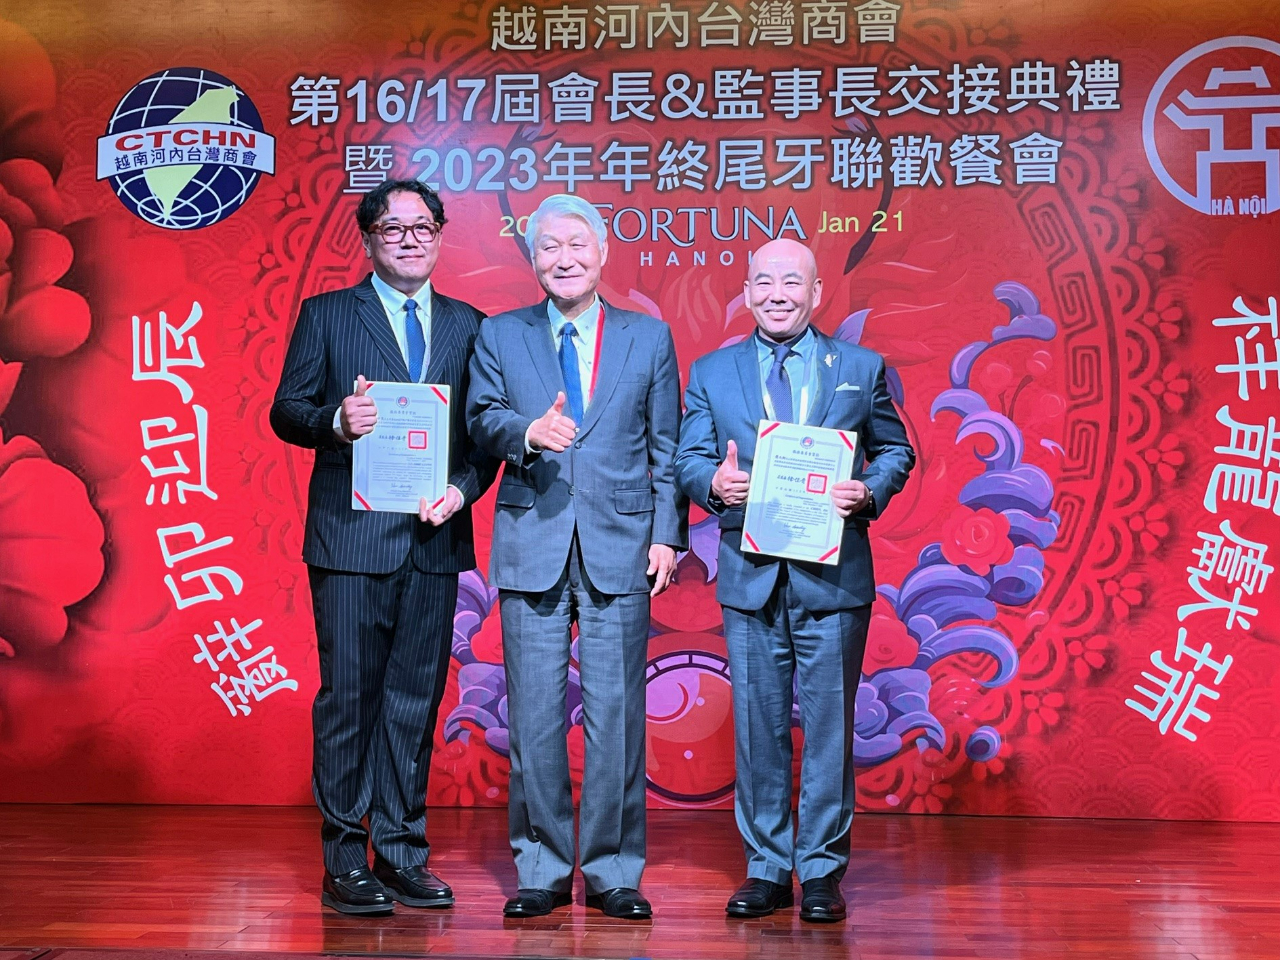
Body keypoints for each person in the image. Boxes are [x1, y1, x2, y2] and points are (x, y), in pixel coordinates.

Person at [270, 179, 496, 916]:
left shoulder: (470, 325)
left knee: (415, 703)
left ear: (440, 236)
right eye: (393, 228)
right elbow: (286, 410)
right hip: (350, 541)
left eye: (422, 227)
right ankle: (344, 859)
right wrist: (337, 421)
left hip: (433, 539)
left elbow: (484, 439)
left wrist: (461, 489)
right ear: (368, 239)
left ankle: (400, 853)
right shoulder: (329, 314)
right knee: (349, 700)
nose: (409, 239)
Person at [674, 238, 915, 923]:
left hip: (833, 577)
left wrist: (869, 489)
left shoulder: (860, 367)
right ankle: (766, 868)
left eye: (792, 283)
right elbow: (688, 458)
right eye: (764, 282)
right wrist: (713, 482)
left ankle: (823, 870)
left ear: (815, 293)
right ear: (747, 291)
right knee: (758, 728)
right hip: (750, 575)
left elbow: (896, 449)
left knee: (830, 730)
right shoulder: (712, 372)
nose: (777, 295)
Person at [466, 194, 687, 921]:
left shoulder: (648, 337)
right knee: (533, 717)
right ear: (532, 259)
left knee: (616, 717)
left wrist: (666, 535)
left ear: (602, 253)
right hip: (532, 539)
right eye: (549, 248)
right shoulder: (501, 334)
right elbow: (481, 418)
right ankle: (542, 868)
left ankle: (614, 870)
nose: (564, 259)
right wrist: (527, 433)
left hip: (621, 545)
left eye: (576, 245)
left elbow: (666, 448)